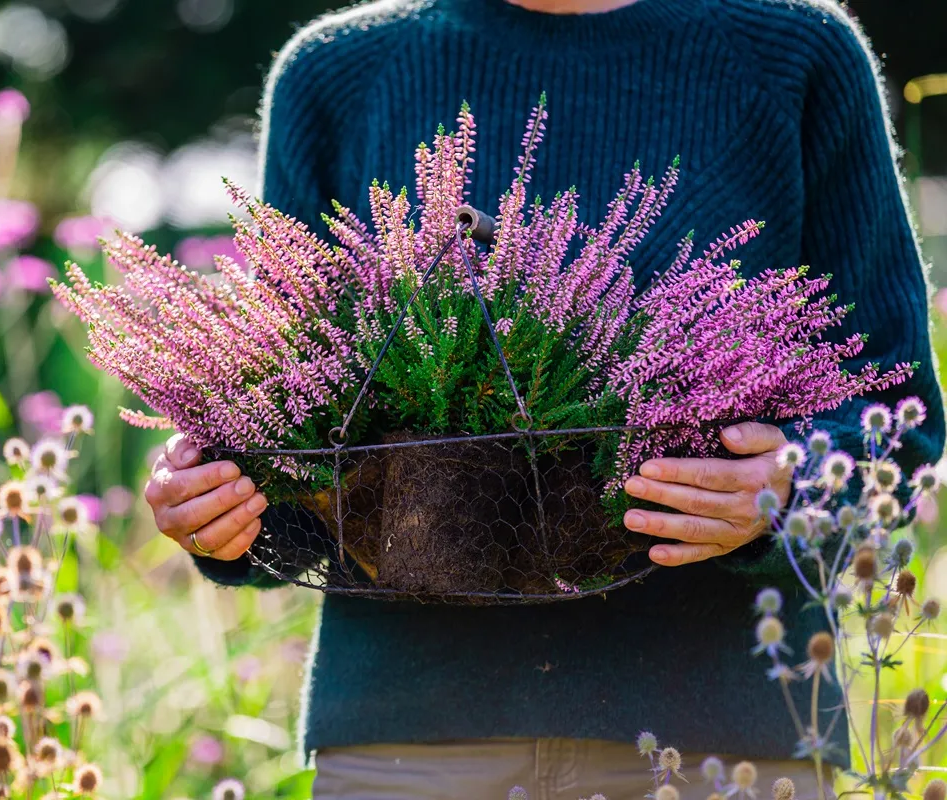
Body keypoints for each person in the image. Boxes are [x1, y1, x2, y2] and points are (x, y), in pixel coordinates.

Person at [143, 0, 946, 797]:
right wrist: (225, 510)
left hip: (718, 741)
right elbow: (291, 427)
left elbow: (897, 420)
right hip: (411, 749)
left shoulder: (795, 55)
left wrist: (792, 485)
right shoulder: (342, 73)